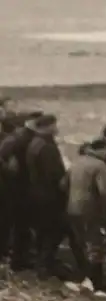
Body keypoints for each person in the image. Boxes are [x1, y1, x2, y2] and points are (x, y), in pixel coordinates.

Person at [65, 138, 106, 290]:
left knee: (80, 243)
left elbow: (63, 184)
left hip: (72, 208)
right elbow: (105, 192)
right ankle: (97, 282)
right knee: (95, 245)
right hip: (91, 210)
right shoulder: (100, 165)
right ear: (102, 149)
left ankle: (81, 275)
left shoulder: (77, 162)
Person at [0, 111, 44, 271]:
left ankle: (12, 254)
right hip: (16, 189)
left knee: (13, 223)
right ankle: (16, 258)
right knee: (16, 223)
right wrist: (10, 171)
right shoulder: (17, 140)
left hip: (15, 188)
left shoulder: (17, 139)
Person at [26, 114, 68, 279]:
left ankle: (43, 263)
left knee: (43, 230)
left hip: (37, 193)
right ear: (48, 126)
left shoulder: (34, 143)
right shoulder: (47, 146)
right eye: (55, 125)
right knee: (54, 229)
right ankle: (45, 265)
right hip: (50, 196)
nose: (57, 128)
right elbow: (54, 174)